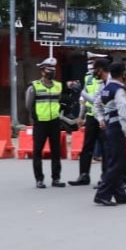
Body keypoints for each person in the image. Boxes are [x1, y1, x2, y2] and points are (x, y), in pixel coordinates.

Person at [93, 62, 126, 206]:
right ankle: (102, 194)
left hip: (110, 127)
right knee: (116, 163)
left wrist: (100, 118)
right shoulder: (119, 90)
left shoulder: (106, 89)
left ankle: (120, 194)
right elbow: (123, 112)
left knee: (117, 161)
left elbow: (96, 104)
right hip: (117, 128)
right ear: (122, 74)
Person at [25, 58, 65, 189]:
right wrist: (34, 117)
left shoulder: (58, 86)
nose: (52, 73)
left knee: (56, 151)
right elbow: (28, 105)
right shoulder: (34, 87)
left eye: (53, 70)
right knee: (37, 151)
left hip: (54, 121)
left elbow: (58, 101)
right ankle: (39, 179)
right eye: (49, 70)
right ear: (42, 72)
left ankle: (56, 178)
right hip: (40, 122)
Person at [68, 56, 108, 186]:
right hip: (91, 116)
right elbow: (84, 98)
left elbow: (95, 100)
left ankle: (105, 178)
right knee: (87, 147)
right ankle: (84, 175)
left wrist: (80, 91)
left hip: (103, 116)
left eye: (93, 64)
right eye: (90, 64)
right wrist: (81, 115)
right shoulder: (88, 78)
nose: (91, 67)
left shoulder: (106, 80)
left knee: (105, 148)